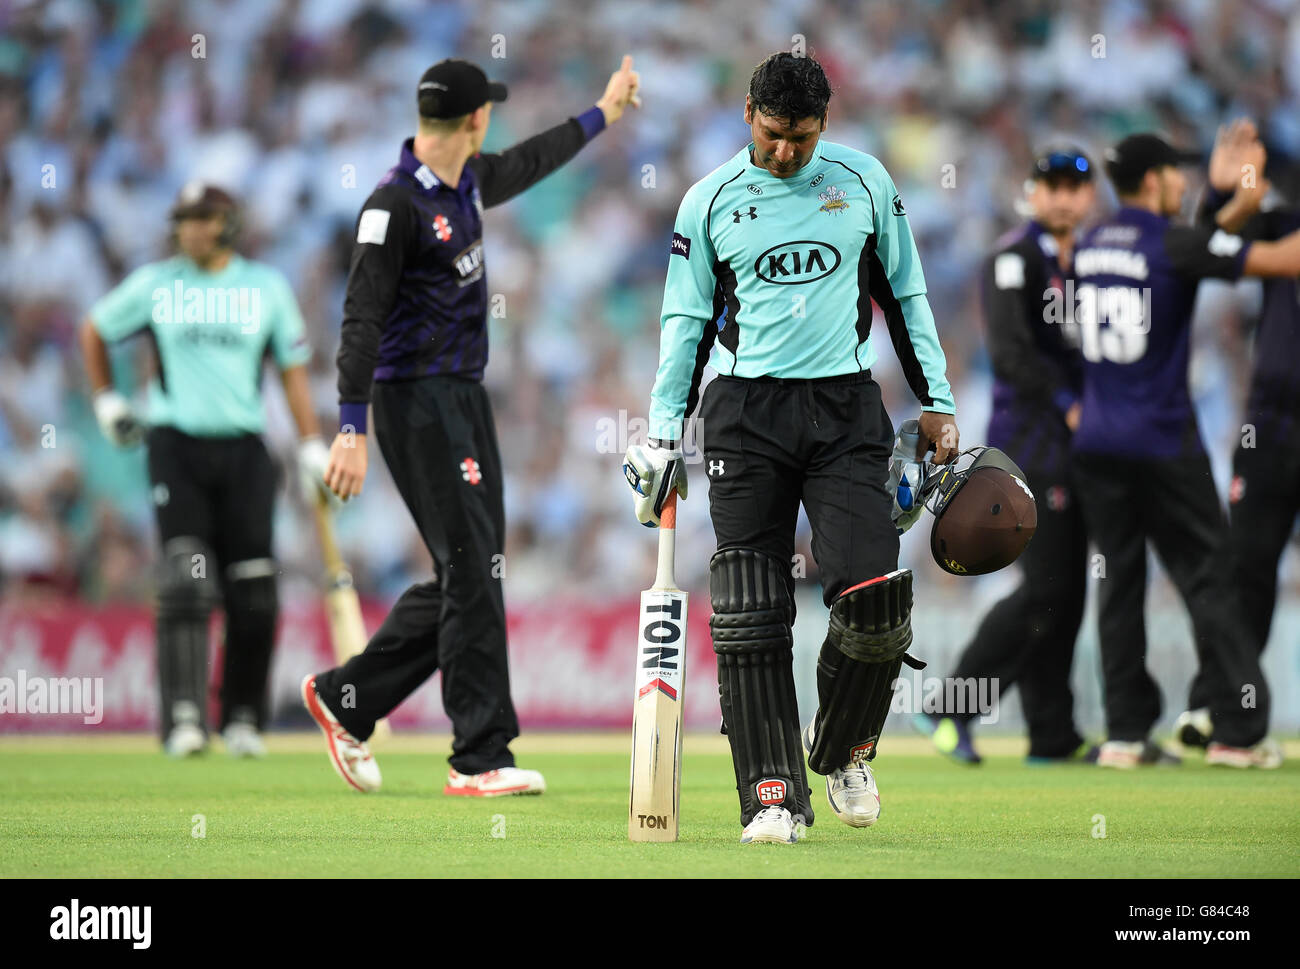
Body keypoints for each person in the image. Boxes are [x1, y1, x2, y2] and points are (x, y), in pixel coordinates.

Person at [623, 52, 959, 845]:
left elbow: (904, 294)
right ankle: (771, 794)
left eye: (801, 139)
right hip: (745, 414)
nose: (784, 153)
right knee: (750, 604)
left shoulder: (866, 183)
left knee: (875, 596)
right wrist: (663, 431)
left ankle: (844, 748)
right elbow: (685, 326)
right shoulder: (708, 202)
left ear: (825, 125)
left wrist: (938, 401)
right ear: (748, 115)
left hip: (846, 409)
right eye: (774, 136)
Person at [301, 57, 641, 796]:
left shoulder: (467, 182)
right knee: (473, 569)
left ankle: (345, 698)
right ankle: (480, 755)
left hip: (463, 398)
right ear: (474, 118)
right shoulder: (394, 208)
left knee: (472, 568)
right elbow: (359, 320)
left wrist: (602, 113)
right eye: (489, 111)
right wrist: (350, 428)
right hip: (414, 402)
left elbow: (532, 160)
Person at [1071, 132, 1300, 769]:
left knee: (1118, 581)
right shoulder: (1174, 243)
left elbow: (1192, 246)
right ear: (1155, 181)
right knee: (1211, 576)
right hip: (1162, 441)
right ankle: (1240, 730)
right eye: (1177, 174)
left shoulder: (1092, 242)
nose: (1184, 184)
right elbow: (1280, 261)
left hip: (1096, 441)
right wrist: (1257, 201)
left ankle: (1124, 734)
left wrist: (1241, 200)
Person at [79, 182, 330, 757]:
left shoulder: (265, 287)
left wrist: (312, 443)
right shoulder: (157, 284)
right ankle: (185, 718)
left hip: (245, 450)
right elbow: (94, 328)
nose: (191, 229)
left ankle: (242, 716)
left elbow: (292, 369)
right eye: (184, 218)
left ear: (228, 223)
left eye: (203, 218)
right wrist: (106, 400)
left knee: (255, 588)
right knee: (188, 579)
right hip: (177, 447)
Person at [915, 145, 1095, 765]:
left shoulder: (1088, 265)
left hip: (1076, 448)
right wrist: (1074, 403)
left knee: (1065, 591)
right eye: (1053, 185)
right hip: (1029, 449)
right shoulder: (1013, 259)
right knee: (1047, 586)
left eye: (1077, 187)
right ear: (1033, 192)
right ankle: (950, 704)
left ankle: (1052, 732)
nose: (1066, 197)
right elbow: (1014, 356)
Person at [1174, 119, 1300, 753]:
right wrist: (1228, 188)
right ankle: (1216, 706)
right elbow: (1217, 239)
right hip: (1275, 427)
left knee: (1246, 571)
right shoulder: (1286, 221)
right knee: (1245, 568)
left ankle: (1220, 707)